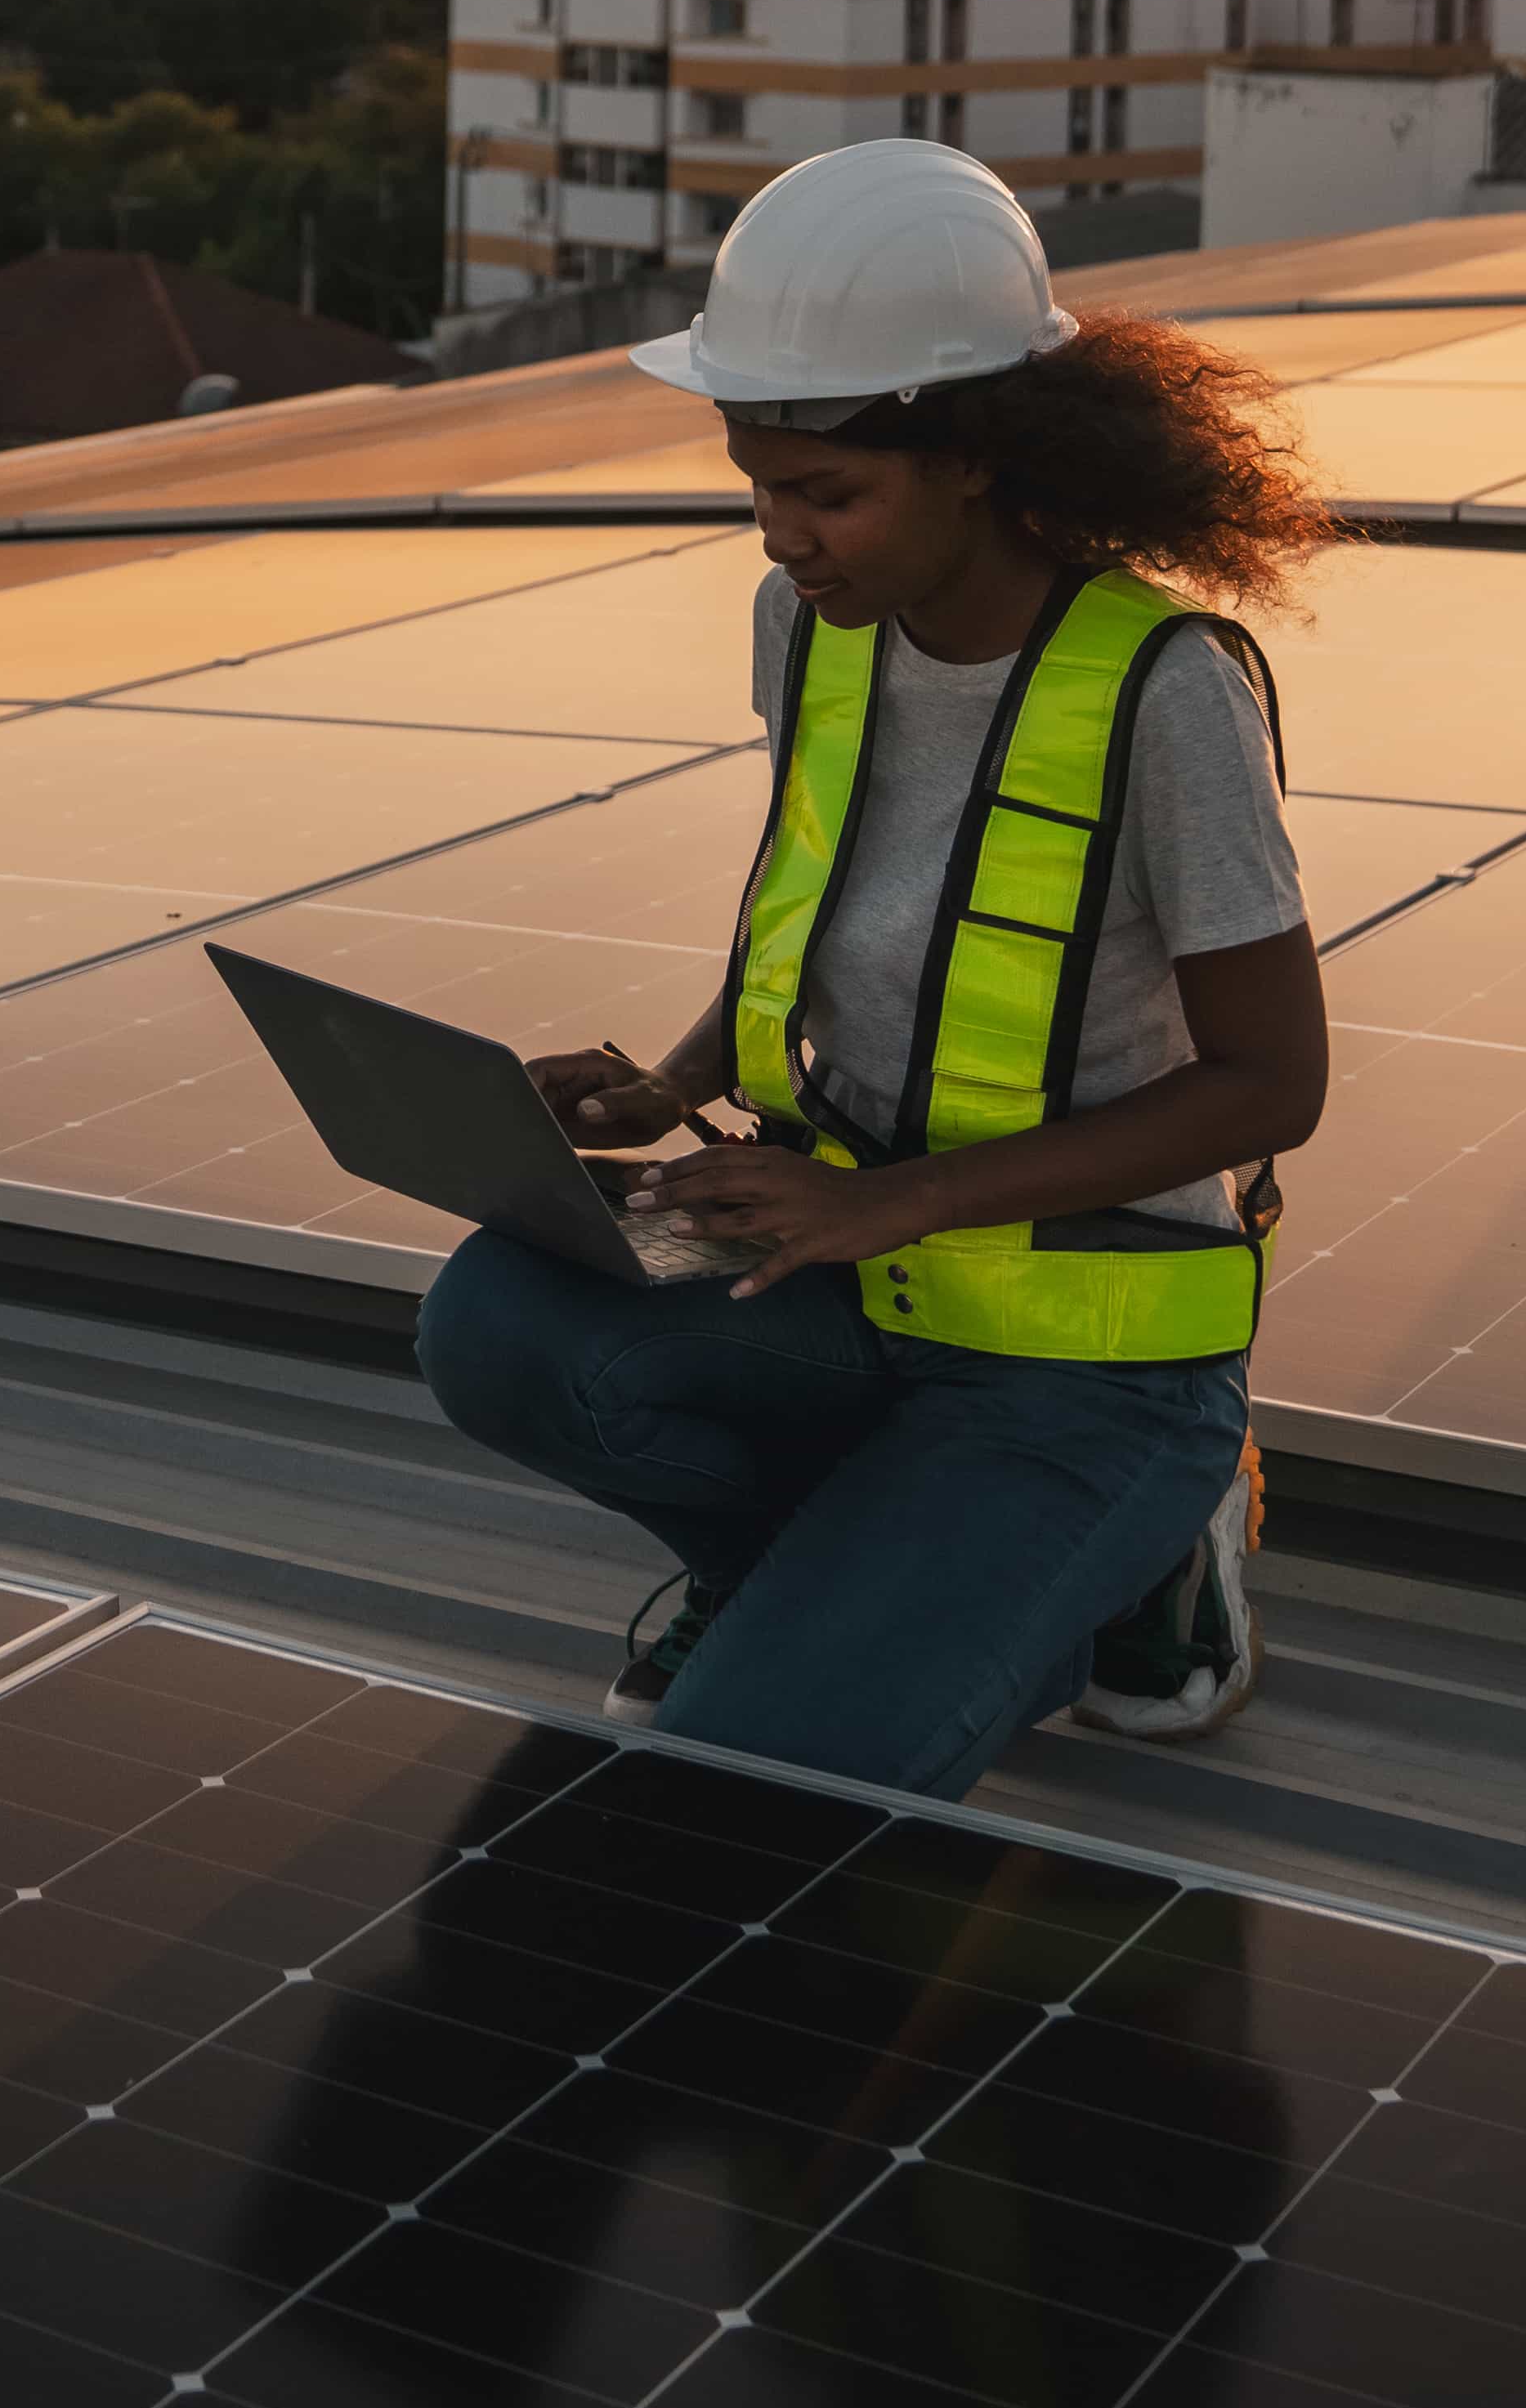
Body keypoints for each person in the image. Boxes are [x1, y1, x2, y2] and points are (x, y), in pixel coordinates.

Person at [418, 137, 1339, 1799]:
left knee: (765, 1771)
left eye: (825, 495)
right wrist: (675, 1080)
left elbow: (1276, 1085)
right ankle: (825, 1571)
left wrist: (888, 1204)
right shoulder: (813, 625)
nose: (782, 538)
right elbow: (857, 914)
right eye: (758, 486)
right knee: (494, 1320)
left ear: (978, 451)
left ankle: (1153, 1556)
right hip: (848, 1277)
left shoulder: (1166, 690)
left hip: (1082, 1354)